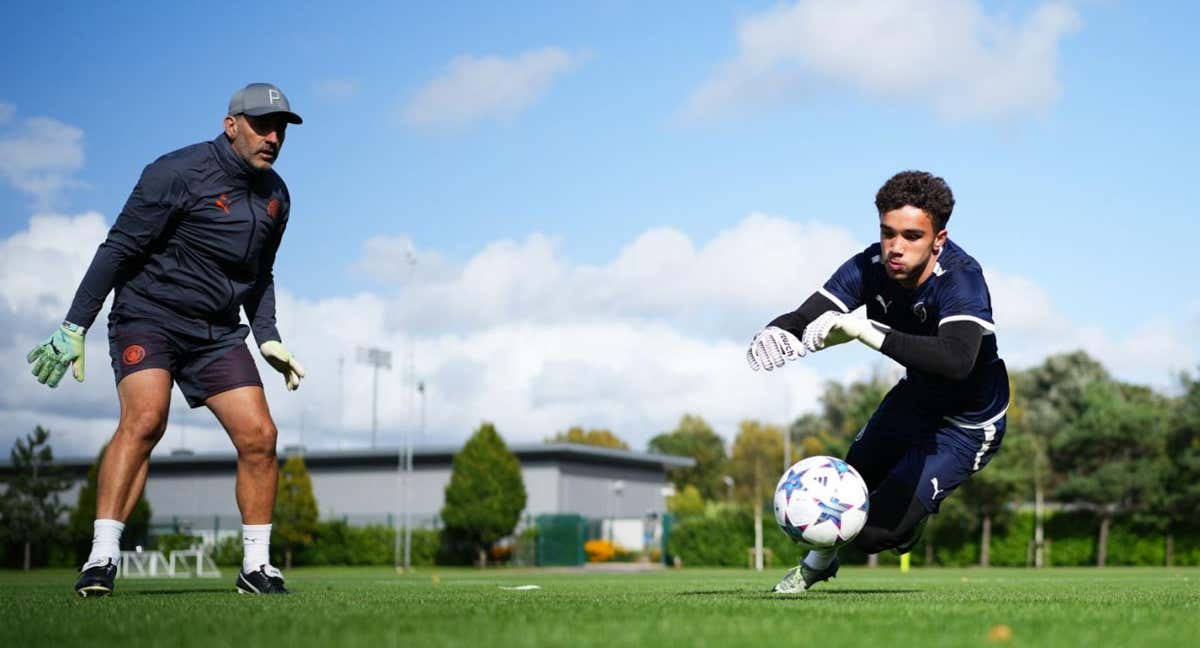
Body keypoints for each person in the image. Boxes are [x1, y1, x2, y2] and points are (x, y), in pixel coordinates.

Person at [26, 83, 307, 597]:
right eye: (262, 125)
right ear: (231, 125)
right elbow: (118, 248)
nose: (273, 137)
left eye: (281, 129)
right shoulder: (176, 171)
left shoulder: (277, 197)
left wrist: (268, 337)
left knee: (260, 437)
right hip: (148, 316)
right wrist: (75, 325)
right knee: (146, 419)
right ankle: (102, 558)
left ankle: (256, 568)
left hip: (217, 333)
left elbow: (261, 274)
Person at [746, 170, 1008, 593]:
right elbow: (808, 314)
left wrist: (866, 331)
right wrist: (781, 330)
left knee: (872, 535)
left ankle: (904, 529)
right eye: (888, 233)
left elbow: (958, 360)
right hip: (914, 400)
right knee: (846, 485)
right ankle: (816, 566)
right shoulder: (869, 266)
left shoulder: (963, 278)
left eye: (911, 236)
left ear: (938, 239)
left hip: (966, 425)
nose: (895, 248)